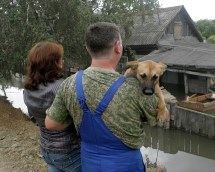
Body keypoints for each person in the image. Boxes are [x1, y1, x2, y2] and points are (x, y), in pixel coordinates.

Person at [45, 22, 161, 172]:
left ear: (87, 49)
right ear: (118, 47)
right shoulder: (136, 89)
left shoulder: (69, 84)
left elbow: (51, 124)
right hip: (126, 165)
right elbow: (157, 119)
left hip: (89, 163)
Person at [23, 41, 81, 172]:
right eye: (60, 59)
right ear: (53, 63)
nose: (63, 62)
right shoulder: (63, 87)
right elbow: (80, 119)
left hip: (47, 150)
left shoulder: (27, 89)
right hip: (70, 152)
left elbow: (33, 118)